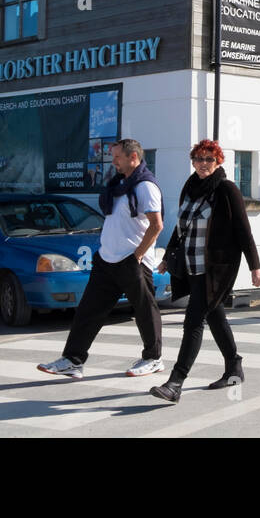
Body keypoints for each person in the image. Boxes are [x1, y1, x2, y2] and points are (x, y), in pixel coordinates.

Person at [38, 138, 164, 379]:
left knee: (145, 310)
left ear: (133, 158)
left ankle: (153, 358)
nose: (113, 161)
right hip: (107, 260)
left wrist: (136, 256)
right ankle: (73, 361)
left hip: (132, 260)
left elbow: (156, 225)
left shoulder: (145, 186)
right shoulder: (119, 184)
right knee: (88, 310)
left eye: (117, 156)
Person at [150, 139, 260, 404]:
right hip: (191, 266)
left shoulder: (226, 190)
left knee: (193, 321)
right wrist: (168, 255)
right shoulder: (190, 187)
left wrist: (254, 266)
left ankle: (175, 382)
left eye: (208, 159)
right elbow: (182, 226)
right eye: (198, 159)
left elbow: (243, 231)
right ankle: (234, 366)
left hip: (215, 269)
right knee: (214, 316)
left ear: (218, 161)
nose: (202, 164)